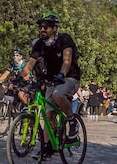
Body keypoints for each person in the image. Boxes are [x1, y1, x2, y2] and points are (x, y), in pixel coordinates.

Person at [20, 13, 81, 160]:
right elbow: (30, 64)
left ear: (54, 28)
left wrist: (61, 75)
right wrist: (20, 76)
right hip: (51, 80)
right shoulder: (39, 44)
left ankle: (72, 122)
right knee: (48, 116)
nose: (42, 29)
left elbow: (67, 61)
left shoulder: (64, 39)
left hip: (69, 76)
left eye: (45, 27)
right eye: (40, 27)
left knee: (58, 95)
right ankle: (47, 148)